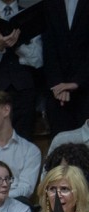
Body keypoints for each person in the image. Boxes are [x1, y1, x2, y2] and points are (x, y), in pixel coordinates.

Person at [0, 0, 42, 140]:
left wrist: (17, 45)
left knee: (23, 140)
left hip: (23, 92)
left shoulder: (29, 14)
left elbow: (37, 59)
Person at [42, 0, 89, 137]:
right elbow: (48, 47)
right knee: (60, 143)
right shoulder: (49, 4)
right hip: (57, 94)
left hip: (86, 90)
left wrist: (77, 82)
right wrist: (58, 84)